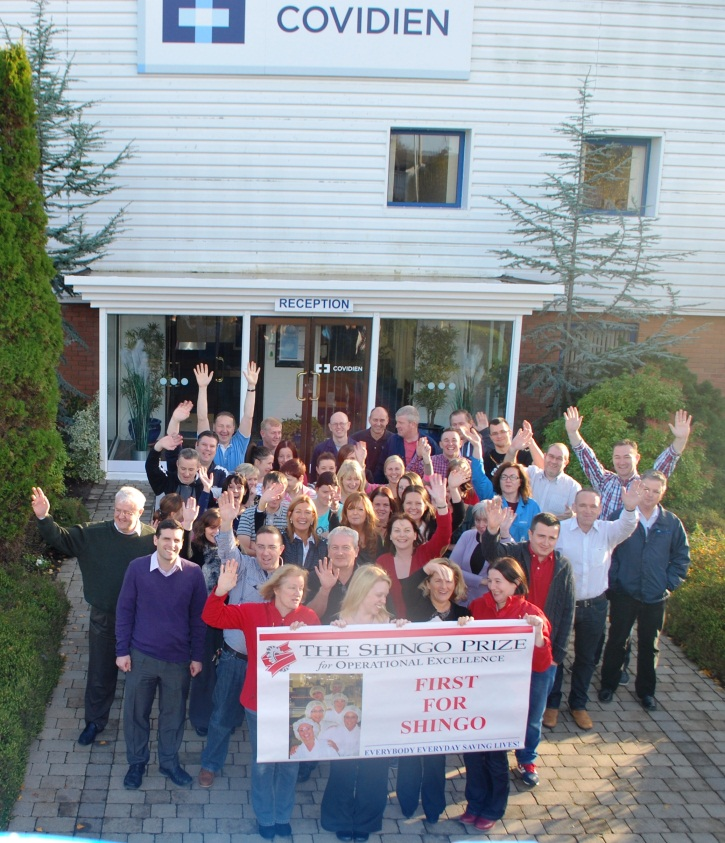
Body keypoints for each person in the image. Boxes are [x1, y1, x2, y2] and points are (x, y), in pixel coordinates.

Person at [202, 562, 320, 839]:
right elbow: (212, 617)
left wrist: (308, 635)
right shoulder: (252, 612)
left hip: (294, 703)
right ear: (276, 588)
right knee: (264, 763)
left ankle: (282, 816)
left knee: (290, 763)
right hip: (258, 702)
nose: (297, 593)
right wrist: (221, 591)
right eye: (292, 587)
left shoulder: (309, 617)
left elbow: (320, 656)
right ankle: (265, 818)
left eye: (301, 588)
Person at [31, 485, 156, 746]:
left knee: (141, 674)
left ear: (141, 512)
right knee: (101, 672)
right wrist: (44, 518)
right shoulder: (93, 533)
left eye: (127, 512)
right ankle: (95, 722)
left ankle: (138, 726)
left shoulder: (152, 540)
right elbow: (62, 538)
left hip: (142, 621)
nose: (120, 516)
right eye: (117, 510)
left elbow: (178, 559)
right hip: (105, 617)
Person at [479, 501, 574, 787]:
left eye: (551, 538)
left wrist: (558, 654)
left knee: (534, 713)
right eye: (541, 536)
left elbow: (568, 610)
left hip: (542, 652)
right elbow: (492, 553)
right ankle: (494, 749)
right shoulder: (516, 553)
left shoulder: (563, 565)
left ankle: (526, 759)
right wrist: (493, 529)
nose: (545, 542)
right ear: (530, 534)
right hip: (509, 653)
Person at [198, 492, 286, 789]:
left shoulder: (289, 579)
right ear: (253, 547)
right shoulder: (242, 565)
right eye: (260, 546)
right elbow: (226, 550)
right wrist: (227, 522)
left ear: (281, 549)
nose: (265, 552)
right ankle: (210, 764)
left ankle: (275, 768)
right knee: (222, 714)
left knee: (274, 720)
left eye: (271, 547)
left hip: (274, 665)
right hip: (236, 658)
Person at [460, 557, 553, 832]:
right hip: (476, 695)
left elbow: (542, 664)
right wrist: (462, 626)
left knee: (496, 758)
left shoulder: (530, 614)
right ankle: (474, 804)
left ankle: (493, 807)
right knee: (473, 756)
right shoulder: (478, 606)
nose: (494, 586)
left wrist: (536, 633)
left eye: (499, 581)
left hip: (505, 700)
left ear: (515, 584)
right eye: (491, 580)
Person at [115, 519, 207, 790]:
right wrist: (122, 651)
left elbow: (198, 620)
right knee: (135, 714)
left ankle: (168, 762)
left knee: (173, 715)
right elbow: (124, 611)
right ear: (155, 540)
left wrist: (197, 656)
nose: (172, 545)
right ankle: (137, 763)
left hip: (177, 660)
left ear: (183, 542)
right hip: (141, 656)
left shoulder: (193, 573)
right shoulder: (137, 568)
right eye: (166, 539)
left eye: (177, 540)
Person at [544, 484, 641, 731]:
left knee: (587, 658)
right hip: (563, 605)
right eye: (583, 505)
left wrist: (629, 508)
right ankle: (552, 704)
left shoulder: (608, 531)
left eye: (593, 506)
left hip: (595, 605)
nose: (588, 510)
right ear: (574, 507)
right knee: (557, 655)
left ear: (600, 509)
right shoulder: (560, 530)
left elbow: (628, 526)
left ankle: (578, 704)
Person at [320, 565, 405, 842]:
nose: (383, 600)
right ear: (362, 591)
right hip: (345, 708)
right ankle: (339, 818)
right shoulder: (336, 622)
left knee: (375, 769)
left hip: (379, 708)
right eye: (378, 595)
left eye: (385, 595)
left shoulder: (392, 624)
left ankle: (366, 821)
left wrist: (404, 635)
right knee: (343, 766)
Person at [599, 470, 691, 711]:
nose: (650, 495)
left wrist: (669, 583)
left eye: (655, 491)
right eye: (646, 489)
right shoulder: (622, 516)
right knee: (617, 640)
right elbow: (609, 550)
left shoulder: (671, 523)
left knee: (649, 646)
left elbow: (682, 557)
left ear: (663, 493)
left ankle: (646, 692)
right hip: (624, 593)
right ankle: (608, 684)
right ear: (639, 489)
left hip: (655, 596)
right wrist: (615, 581)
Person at [396, 559, 469, 824]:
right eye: (437, 579)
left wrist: (470, 630)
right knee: (410, 752)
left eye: (449, 580)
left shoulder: (465, 614)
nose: (443, 585)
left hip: (444, 697)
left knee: (436, 755)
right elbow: (406, 584)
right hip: (415, 691)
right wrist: (431, 567)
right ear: (428, 583)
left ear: (457, 584)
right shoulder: (416, 608)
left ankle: (434, 805)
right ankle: (406, 801)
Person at [563, 406, 692, 518]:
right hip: (605, 544)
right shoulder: (604, 481)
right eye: (617, 457)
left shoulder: (644, 484)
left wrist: (680, 439)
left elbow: (667, 461)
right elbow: (585, 456)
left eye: (626, 457)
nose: (622, 462)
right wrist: (573, 432)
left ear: (637, 458)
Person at [376, 474, 452, 616]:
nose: (402, 535)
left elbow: (444, 534)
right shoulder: (382, 562)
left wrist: (441, 503)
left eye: (407, 531)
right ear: (390, 536)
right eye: (397, 531)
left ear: (415, 535)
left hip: (424, 627)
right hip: (393, 628)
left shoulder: (426, 553)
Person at [187, 508, 224, 737]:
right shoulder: (197, 551)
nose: (216, 531)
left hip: (227, 617)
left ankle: (222, 715)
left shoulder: (232, 551)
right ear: (203, 528)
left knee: (224, 672)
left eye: (220, 527)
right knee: (203, 669)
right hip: (202, 618)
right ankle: (201, 717)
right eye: (212, 527)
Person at [194, 361, 260, 471]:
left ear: (234, 428)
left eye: (228, 426)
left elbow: (248, 416)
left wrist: (252, 386)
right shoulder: (208, 442)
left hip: (235, 488)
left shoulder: (239, 442)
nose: (224, 430)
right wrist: (202, 387)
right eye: (221, 426)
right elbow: (202, 418)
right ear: (214, 427)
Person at [449, 500, 515, 605]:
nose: (481, 525)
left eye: (486, 520)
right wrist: (481, 580)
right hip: (462, 599)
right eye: (477, 520)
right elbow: (451, 567)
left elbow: (511, 569)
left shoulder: (504, 539)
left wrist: (505, 532)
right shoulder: (467, 536)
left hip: (490, 602)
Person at [305, 526, 361, 622]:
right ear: (329, 551)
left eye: (346, 548)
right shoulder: (314, 577)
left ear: (356, 551)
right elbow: (308, 617)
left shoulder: (367, 578)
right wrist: (325, 590)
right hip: (324, 635)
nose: (340, 553)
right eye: (335, 547)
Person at [376, 405, 439, 483]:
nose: (396, 426)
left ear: (412, 424)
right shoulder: (392, 441)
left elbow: (434, 473)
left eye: (400, 423)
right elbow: (381, 468)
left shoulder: (429, 444)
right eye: (397, 422)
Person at [236, 472, 289, 555]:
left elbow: (289, 548)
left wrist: (255, 545)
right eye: (271, 489)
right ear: (263, 489)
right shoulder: (248, 514)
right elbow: (244, 549)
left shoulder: (289, 516)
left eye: (280, 490)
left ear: (285, 493)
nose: (275, 494)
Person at [145, 436, 208, 504]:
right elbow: (151, 467)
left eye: (191, 469)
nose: (186, 474)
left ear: (198, 466)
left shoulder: (205, 485)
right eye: (183, 469)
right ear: (177, 464)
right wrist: (158, 447)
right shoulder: (166, 480)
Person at [526, 443, 582, 520]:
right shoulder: (531, 474)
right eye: (551, 456)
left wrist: (572, 515)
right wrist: (513, 449)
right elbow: (507, 472)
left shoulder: (573, 487)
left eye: (559, 458)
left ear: (566, 462)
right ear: (545, 456)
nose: (554, 461)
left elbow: (577, 517)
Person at [491, 461, 541, 541]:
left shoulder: (532, 506)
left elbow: (539, 533)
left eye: (513, 477)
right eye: (504, 477)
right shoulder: (493, 504)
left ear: (520, 482)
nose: (508, 480)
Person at [280, 495, 328, 570]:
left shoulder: (323, 545)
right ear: (290, 515)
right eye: (298, 512)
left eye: (307, 512)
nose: (303, 516)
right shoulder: (281, 539)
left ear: (313, 517)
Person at [310, 412, 358, 481]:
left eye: (342, 423)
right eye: (335, 424)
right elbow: (314, 477)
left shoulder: (357, 448)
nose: (338, 427)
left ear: (348, 425)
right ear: (330, 426)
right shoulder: (320, 449)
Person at [340, 493, 383, 565]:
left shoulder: (376, 537)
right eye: (351, 509)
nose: (355, 513)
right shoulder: (341, 535)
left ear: (367, 512)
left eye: (360, 509)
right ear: (345, 512)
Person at [352, 406, 392, 482]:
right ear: (369, 420)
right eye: (375, 420)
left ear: (387, 421)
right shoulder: (356, 439)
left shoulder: (393, 440)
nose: (378, 423)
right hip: (360, 484)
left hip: (386, 486)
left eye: (382, 420)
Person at [314, 470, 340, 537]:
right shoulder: (306, 507)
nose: (328, 497)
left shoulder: (342, 510)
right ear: (316, 490)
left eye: (332, 493)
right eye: (325, 492)